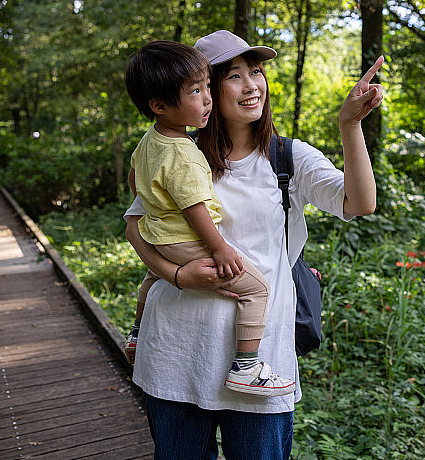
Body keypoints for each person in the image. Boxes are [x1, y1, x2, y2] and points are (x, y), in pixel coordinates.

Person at [124, 29, 383, 460]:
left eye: (256, 72)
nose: (251, 86)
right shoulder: (176, 151)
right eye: (234, 76)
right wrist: (177, 275)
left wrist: (350, 124)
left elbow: (360, 203)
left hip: (260, 365)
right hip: (175, 353)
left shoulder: (288, 158)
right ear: (204, 87)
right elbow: (136, 225)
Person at [123, 39, 295, 397]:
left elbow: (134, 180)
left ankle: (137, 333)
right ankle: (246, 366)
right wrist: (220, 248)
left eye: (206, 87)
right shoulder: (185, 154)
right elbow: (195, 209)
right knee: (257, 288)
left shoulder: (150, 141)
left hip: (159, 236)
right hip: (187, 241)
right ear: (159, 105)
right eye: (196, 91)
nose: (207, 99)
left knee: (152, 277)